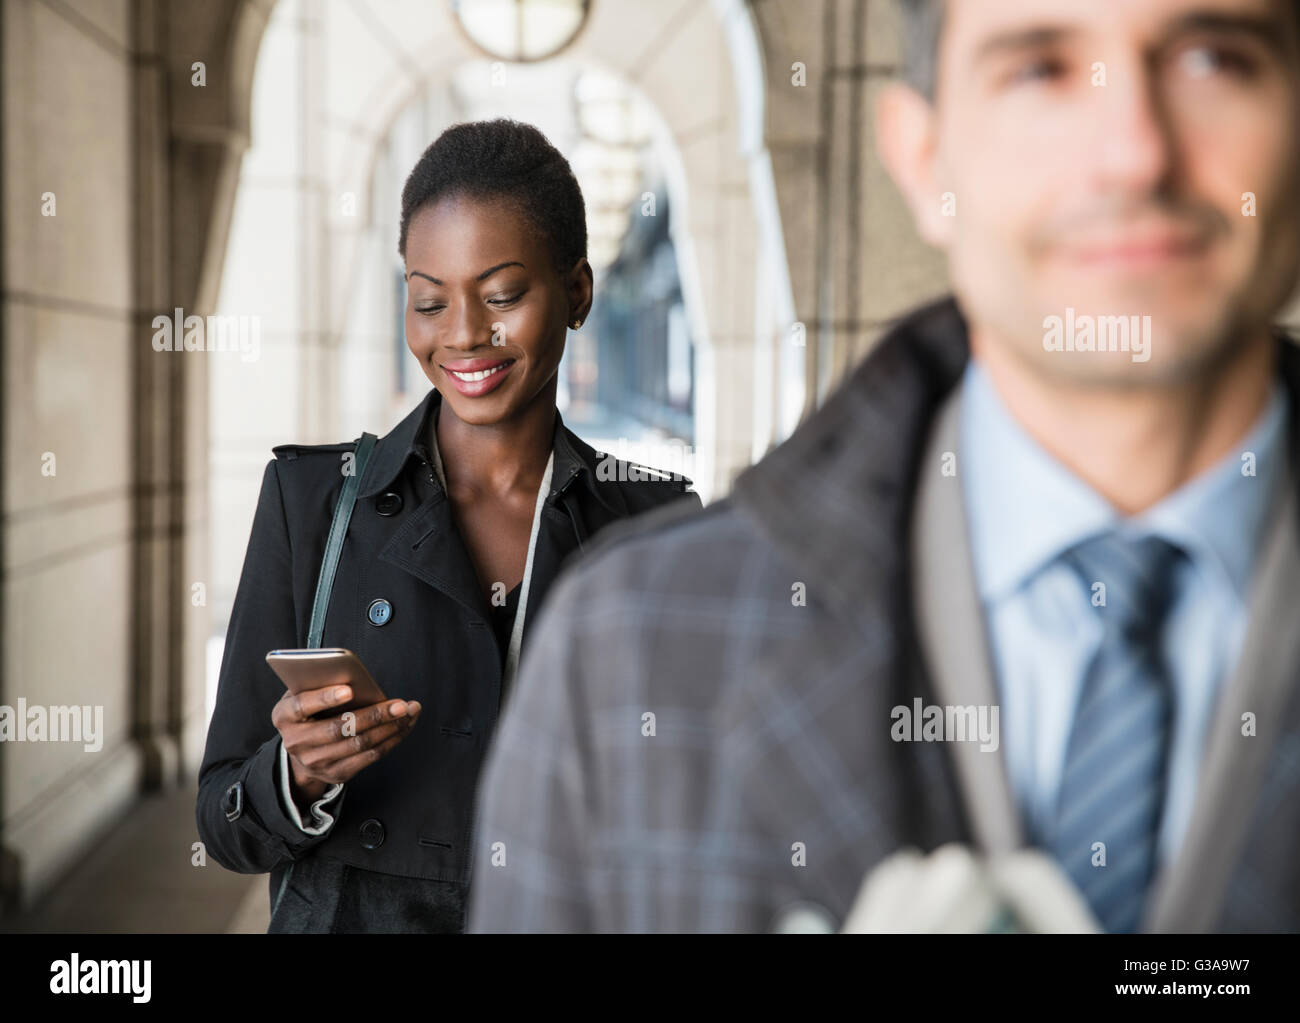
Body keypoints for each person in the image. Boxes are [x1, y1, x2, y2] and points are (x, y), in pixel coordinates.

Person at [466, 0, 1300, 932]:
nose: (1134, 151)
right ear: (921, 157)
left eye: (1214, 58)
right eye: (1041, 69)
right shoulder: (624, 658)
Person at [195, 118, 700, 933]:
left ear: (576, 292)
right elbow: (221, 818)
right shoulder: (313, 502)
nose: (462, 332)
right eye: (428, 299)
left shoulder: (654, 520)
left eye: (501, 295)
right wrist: (295, 774)